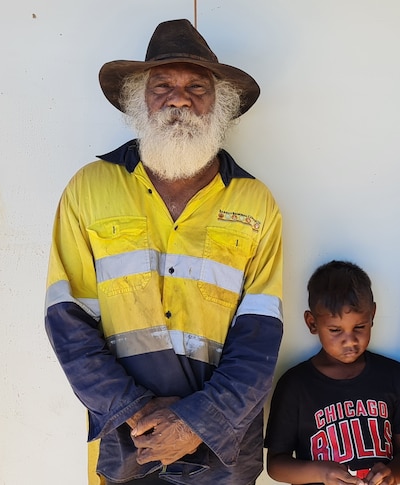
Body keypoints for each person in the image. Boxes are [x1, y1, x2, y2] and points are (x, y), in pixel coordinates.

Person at [44, 19, 283, 485]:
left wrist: (198, 421)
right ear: (138, 98)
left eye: (197, 86)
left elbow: (261, 335)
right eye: (162, 86)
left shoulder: (256, 202)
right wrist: (137, 412)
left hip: (224, 447)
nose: (180, 99)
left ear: (221, 103)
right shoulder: (88, 189)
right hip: (125, 440)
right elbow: (66, 320)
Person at [265, 260, 400, 485]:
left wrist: (392, 475)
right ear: (312, 323)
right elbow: (275, 465)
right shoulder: (295, 385)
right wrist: (322, 473)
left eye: (359, 327)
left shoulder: (394, 376)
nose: (350, 341)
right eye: (335, 330)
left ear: (372, 315)